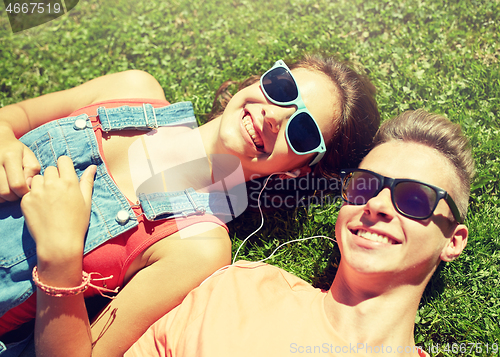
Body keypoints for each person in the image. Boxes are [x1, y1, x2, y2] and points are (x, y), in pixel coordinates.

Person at [0, 55, 380, 356]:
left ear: (294, 172)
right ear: (259, 80)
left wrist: (59, 258)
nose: (273, 115)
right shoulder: (132, 87)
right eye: (281, 88)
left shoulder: (199, 246)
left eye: (302, 130)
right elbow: (13, 117)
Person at [124, 109, 474, 357]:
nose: (378, 205)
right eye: (364, 186)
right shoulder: (237, 291)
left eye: (414, 198)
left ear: (453, 240)